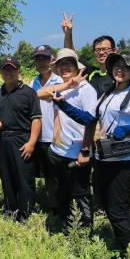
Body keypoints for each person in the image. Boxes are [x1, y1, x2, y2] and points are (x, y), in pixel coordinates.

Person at [56, 52, 130, 251]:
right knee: (106, 202)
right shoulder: (108, 92)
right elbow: (88, 119)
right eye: (117, 66)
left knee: (117, 207)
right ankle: (124, 241)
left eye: (126, 67)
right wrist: (62, 104)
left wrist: (128, 129)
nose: (120, 70)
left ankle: (128, 251)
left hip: (123, 160)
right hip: (104, 157)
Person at [37, 48, 98, 230]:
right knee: (62, 191)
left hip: (76, 151)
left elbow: (91, 121)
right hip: (57, 151)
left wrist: (85, 150)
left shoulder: (87, 90)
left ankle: (84, 230)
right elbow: (40, 94)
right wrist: (68, 85)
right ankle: (65, 226)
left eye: (68, 64)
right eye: (61, 65)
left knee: (80, 193)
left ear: (76, 66)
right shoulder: (61, 88)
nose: (64, 68)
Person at [0, 56, 42, 221]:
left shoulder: (28, 93)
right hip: (3, 140)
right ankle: (10, 209)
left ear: (18, 71)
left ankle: (25, 213)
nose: (8, 72)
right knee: (6, 176)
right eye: (5, 69)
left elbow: (36, 119)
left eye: (12, 69)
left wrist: (32, 143)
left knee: (24, 178)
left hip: (22, 140)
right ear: (1, 72)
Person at [29, 45, 63, 214]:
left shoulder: (60, 81)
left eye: (45, 58)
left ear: (52, 60)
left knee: (57, 175)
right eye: (38, 59)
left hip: (55, 136)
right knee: (45, 175)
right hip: (38, 137)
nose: (41, 62)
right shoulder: (32, 82)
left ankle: (61, 207)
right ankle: (51, 206)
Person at [61, 13, 115, 97]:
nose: (101, 53)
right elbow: (71, 55)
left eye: (105, 49)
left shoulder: (118, 75)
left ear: (114, 51)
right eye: (97, 50)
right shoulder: (92, 73)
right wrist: (68, 33)